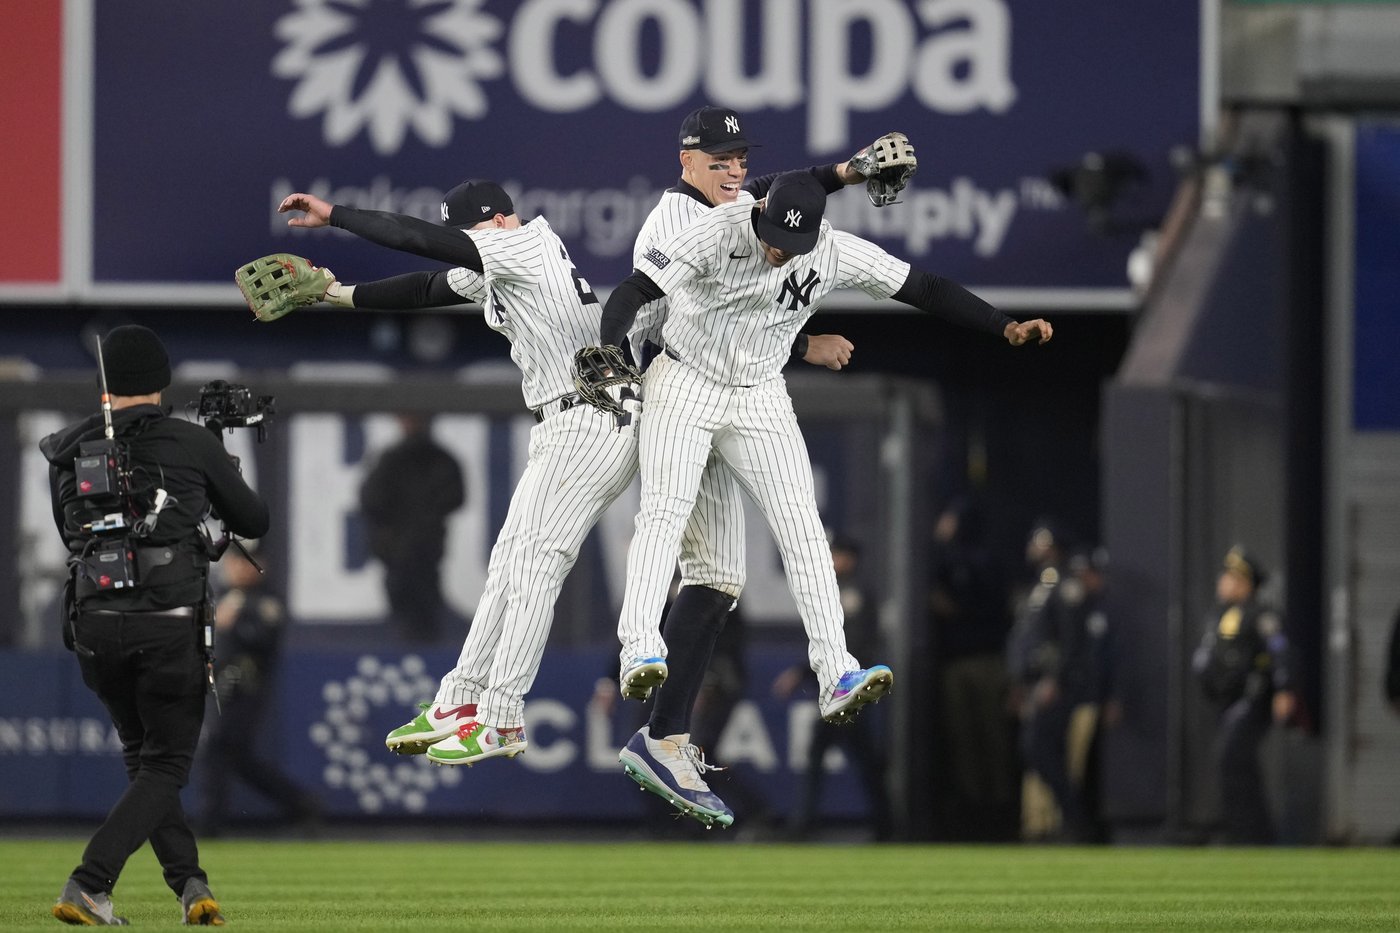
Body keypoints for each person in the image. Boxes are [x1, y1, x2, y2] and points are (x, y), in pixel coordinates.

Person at [592, 171, 1052, 754]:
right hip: (683, 378)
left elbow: (924, 287)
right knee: (665, 512)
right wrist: (609, 348)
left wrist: (1002, 324)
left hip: (759, 391)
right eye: (773, 234)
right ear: (760, 208)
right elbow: (633, 291)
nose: (778, 248)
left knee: (804, 527)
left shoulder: (831, 250)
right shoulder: (714, 231)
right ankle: (639, 647)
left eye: (793, 239)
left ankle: (835, 671)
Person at [39, 324, 269, 926]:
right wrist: (218, 470)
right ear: (162, 382)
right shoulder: (191, 444)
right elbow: (253, 518)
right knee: (166, 765)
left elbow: (70, 534)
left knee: (146, 759)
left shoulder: (65, 449)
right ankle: (90, 883)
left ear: (103, 388)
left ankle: (191, 885)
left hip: (93, 625)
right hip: (168, 627)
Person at [773, 533, 892, 842]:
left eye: (839, 554)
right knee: (842, 756)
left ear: (850, 558)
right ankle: (882, 825)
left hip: (854, 690)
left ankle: (884, 825)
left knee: (863, 759)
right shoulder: (833, 589)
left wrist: (849, 679)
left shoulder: (856, 592)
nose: (834, 559)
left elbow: (859, 644)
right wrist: (801, 673)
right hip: (834, 691)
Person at [200, 547, 321, 836]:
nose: (238, 568)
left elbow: (264, 638)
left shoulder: (264, 600)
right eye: (234, 562)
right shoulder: (219, 595)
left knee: (217, 747)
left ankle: (208, 824)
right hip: (219, 683)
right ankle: (300, 803)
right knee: (236, 756)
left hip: (247, 686)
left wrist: (232, 626)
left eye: (246, 562)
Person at [1191, 546, 1297, 844]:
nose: (1223, 582)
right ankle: (1242, 833)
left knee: (1232, 757)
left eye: (1230, 577)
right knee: (1232, 763)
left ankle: (1255, 835)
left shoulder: (1261, 615)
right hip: (1225, 703)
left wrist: (1284, 689)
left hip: (1253, 700)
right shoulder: (1220, 615)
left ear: (1245, 583)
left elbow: (1281, 652)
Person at [928, 494, 1017, 840]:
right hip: (962, 661)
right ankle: (977, 814)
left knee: (991, 740)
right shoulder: (949, 559)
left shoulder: (983, 560)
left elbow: (978, 606)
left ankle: (997, 815)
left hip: (986, 659)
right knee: (966, 742)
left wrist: (954, 608)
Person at [1013, 546, 1114, 842]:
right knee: (1038, 753)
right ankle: (1056, 821)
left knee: (1051, 753)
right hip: (1041, 683)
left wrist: (1055, 680)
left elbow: (1074, 645)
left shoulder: (1075, 595)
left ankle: (1072, 820)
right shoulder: (1042, 590)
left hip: (1069, 689)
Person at [358, 412, 466, 643]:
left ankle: (424, 656)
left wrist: (424, 521)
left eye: (415, 419)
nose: (411, 424)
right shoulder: (390, 459)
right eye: (408, 419)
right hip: (398, 554)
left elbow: (456, 497)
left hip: (425, 553)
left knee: (425, 612)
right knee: (403, 611)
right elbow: (370, 499)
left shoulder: (439, 459)